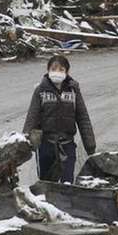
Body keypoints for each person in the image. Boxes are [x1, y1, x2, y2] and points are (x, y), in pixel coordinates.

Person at [23, 55, 96, 183]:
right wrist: (24, 144)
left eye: (61, 69)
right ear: (48, 70)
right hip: (46, 146)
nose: (57, 72)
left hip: (67, 145)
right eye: (54, 68)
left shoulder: (73, 91)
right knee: (46, 184)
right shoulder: (40, 90)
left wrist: (90, 145)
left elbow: (83, 117)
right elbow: (32, 117)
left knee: (67, 183)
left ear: (67, 72)